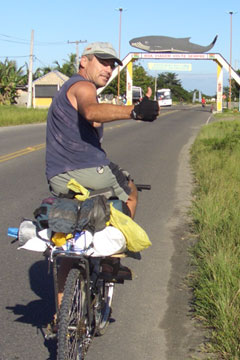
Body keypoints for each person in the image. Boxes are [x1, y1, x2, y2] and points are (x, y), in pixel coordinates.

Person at [44, 42, 159, 337]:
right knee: (131, 191)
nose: (108, 69)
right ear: (84, 61)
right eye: (103, 62)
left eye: (112, 65)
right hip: (90, 173)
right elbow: (91, 108)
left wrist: (128, 110)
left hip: (59, 177)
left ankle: (61, 316)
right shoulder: (82, 86)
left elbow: (93, 117)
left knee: (68, 245)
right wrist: (135, 111)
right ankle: (111, 262)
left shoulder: (64, 92)